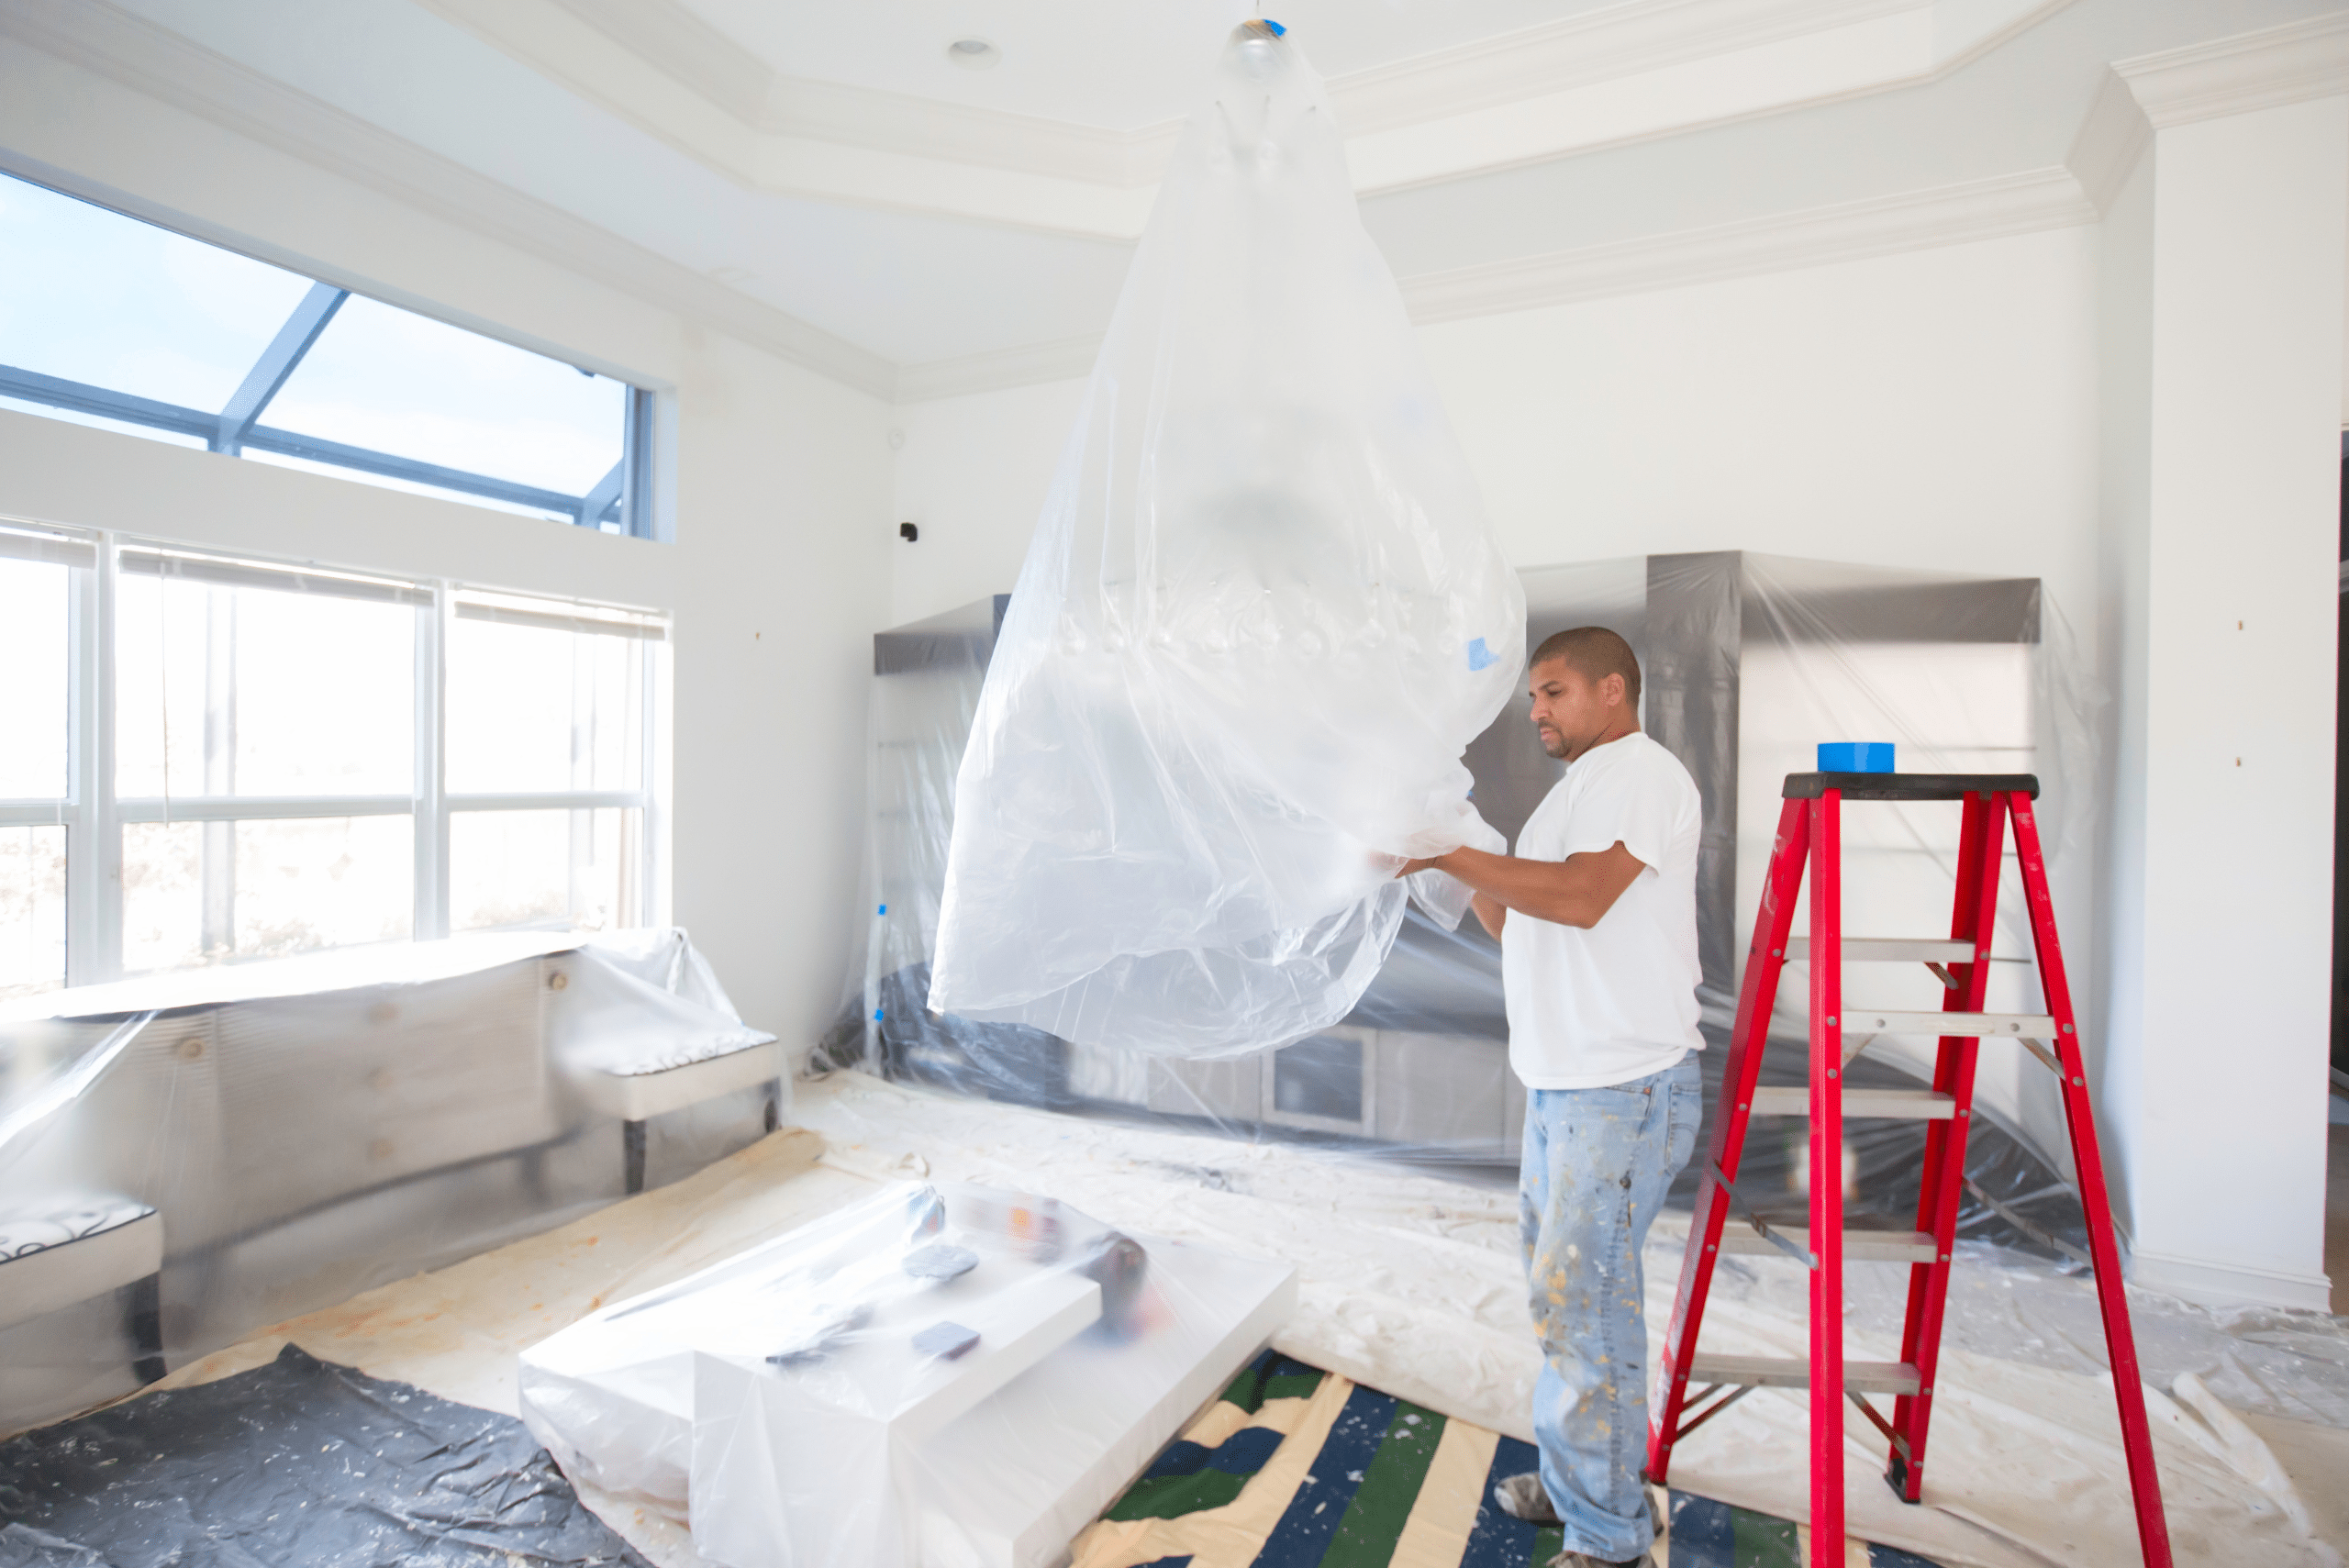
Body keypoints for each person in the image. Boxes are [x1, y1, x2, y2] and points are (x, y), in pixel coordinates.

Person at [1404, 626, 1703, 1568]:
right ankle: (1588, 1480)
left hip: (1618, 1092)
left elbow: (1580, 898)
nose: (1535, 711)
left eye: (1553, 691)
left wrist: (1455, 854)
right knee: (1563, 1302)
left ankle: (1608, 1534)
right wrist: (1449, 848)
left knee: (1586, 1308)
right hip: (1567, 1088)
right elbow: (1518, 918)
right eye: (1533, 697)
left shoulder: (1642, 775)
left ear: (1613, 688)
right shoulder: (1574, 795)